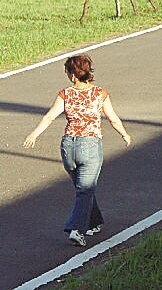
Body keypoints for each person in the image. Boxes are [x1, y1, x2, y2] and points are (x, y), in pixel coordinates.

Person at [23, 54, 131, 247]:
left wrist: (34, 135)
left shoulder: (66, 94)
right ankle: (76, 229)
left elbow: (49, 117)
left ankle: (95, 222)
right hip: (89, 146)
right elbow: (113, 119)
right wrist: (124, 134)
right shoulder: (100, 93)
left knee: (84, 189)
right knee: (85, 190)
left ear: (73, 76)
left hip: (68, 147)